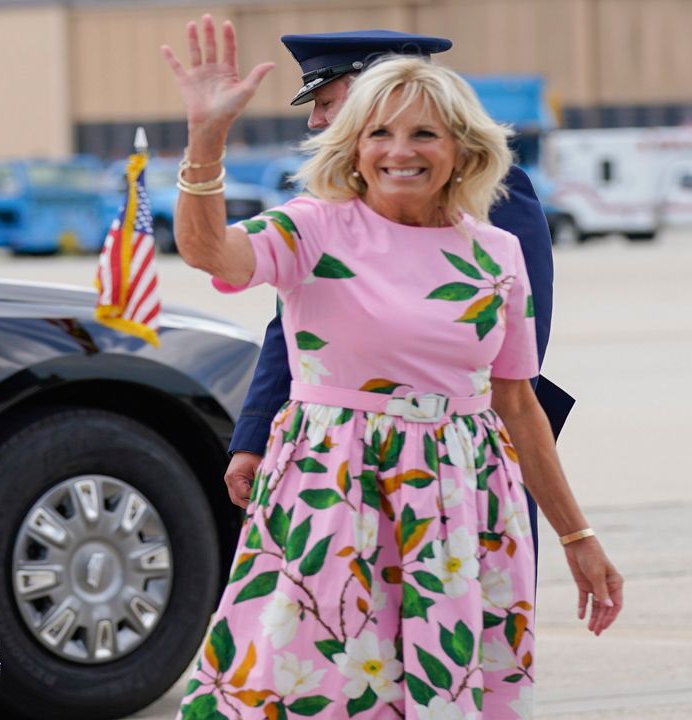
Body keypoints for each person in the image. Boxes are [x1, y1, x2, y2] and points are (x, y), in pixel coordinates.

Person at [162, 19, 622, 717]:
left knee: (443, 689)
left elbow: (518, 399)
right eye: (377, 132)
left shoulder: (496, 248)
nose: (398, 151)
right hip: (336, 483)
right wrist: (206, 138)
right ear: (353, 143)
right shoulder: (312, 223)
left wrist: (577, 537)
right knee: (314, 683)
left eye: (422, 134)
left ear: (463, 149)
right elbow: (209, 254)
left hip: (463, 500)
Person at [217, 29, 572, 562]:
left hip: (456, 465)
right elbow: (287, 331)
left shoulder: (495, 193)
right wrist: (253, 435)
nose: (315, 119)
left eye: (326, 100)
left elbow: (514, 353)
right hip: (344, 466)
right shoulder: (326, 209)